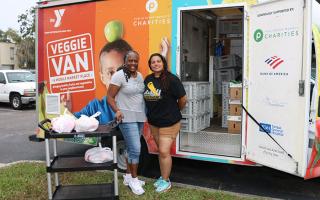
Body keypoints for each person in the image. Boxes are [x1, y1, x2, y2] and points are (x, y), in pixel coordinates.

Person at [143, 53, 187, 193]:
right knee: (160, 151)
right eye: (153, 62)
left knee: (163, 151)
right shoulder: (148, 79)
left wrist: (174, 110)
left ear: (163, 63)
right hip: (154, 122)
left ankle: (166, 181)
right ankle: (163, 177)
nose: (156, 64)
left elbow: (183, 99)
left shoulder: (172, 79)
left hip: (169, 122)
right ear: (150, 65)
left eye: (158, 61)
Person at [107, 51, 146, 195]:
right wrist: (117, 111)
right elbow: (109, 97)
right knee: (136, 149)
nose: (133, 63)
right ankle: (134, 181)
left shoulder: (140, 75)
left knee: (131, 148)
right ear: (125, 61)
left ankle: (128, 177)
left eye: (135, 61)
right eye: (130, 61)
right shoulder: (119, 76)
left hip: (140, 116)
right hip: (126, 117)